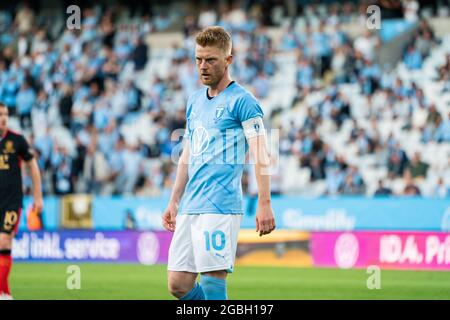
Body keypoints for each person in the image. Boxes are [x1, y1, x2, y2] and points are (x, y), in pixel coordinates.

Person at [162, 26, 275, 300]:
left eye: (210, 59)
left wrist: (264, 202)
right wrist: (174, 200)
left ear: (228, 60)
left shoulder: (244, 102)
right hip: (191, 204)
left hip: (220, 205)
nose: (202, 66)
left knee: (213, 280)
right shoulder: (194, 101)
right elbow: (187, 153)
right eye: (198, 59)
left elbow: (261, 152)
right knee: (177, 283)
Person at [0, 102, 43, 299]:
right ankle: (4, 291)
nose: (3, 119)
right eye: (0, 114)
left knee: (4, 240)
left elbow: (32, 165)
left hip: (11, 202)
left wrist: (38, 196)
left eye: (5, 114)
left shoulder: (16, 140)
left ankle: (2, 292)